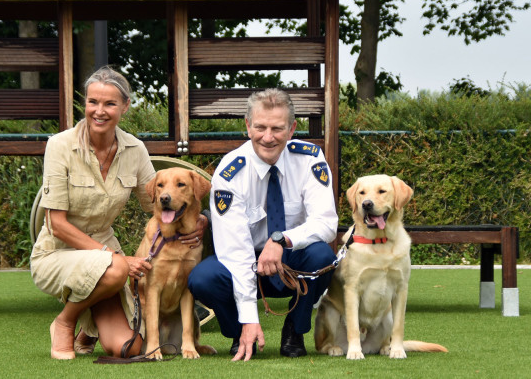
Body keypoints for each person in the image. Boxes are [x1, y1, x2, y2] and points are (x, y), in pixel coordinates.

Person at [30, 66, 205, 360]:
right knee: (117, 268)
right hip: (58, 253)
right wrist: (115, 257)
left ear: (124, 106)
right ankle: (66, 321)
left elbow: (158, 199)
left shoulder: (134, 149)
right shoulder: (59, 146)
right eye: (92, 102)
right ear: (84, 103)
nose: (99, 111)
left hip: (107, 264)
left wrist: (199, 219)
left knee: (129, 348)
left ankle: (90, 329)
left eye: (110, 103)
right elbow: (56, 224)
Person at [187, 88, 338, 361]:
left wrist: (282, 240)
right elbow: (235, 251)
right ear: (248, 126)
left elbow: (326, 223)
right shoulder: (230, 171)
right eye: (260, 127)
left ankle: (295, 328)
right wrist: (249, 315)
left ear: (292, 129)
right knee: (203, 278)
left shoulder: (310, 158)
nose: (268, 137)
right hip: (246, 262)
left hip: (290, 259)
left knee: (322, 255)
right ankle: (240, 332)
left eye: (277, 128)